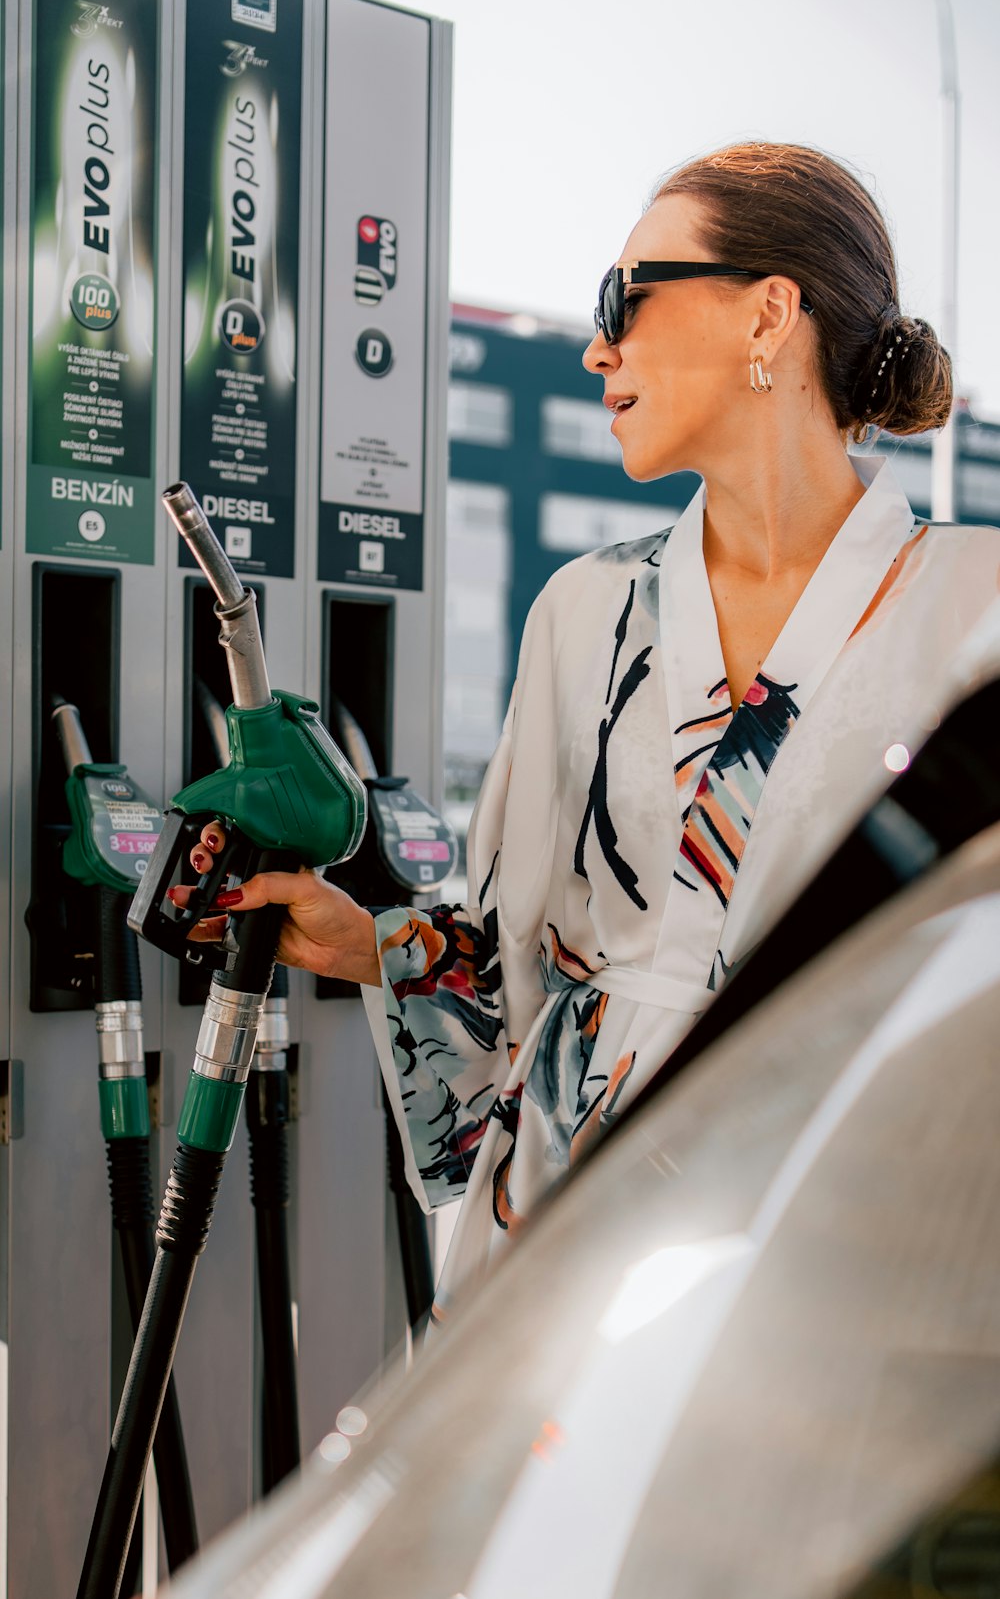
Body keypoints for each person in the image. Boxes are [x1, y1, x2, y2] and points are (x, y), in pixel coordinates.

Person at [176, 141, 1000, 1321]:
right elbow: (523, 960)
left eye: (626, 295)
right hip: (566, 1237)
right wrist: (374, 942)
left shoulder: (974, 608)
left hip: (844, 1242)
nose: (595, 344)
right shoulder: (585, 609)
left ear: (768, 313)